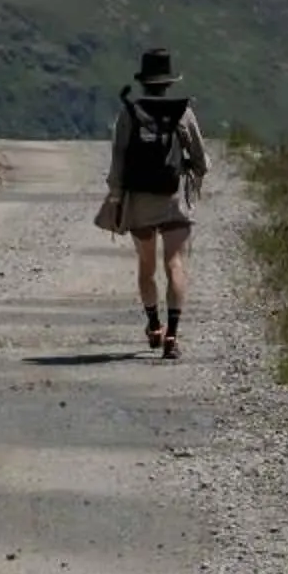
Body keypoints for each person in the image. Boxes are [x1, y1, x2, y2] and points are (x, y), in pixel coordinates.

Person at [94, 46, 208, 358]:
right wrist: (191, 175)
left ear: (143, 81)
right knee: (175, 264)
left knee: (147, 267)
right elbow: (201, 161)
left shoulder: (129, 113)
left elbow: (118, 159)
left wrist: (116, 196)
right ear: (169, 82)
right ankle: (172, 335)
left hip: (140, 201)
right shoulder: (183, 112)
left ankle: (154, 325)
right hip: (174, 200)